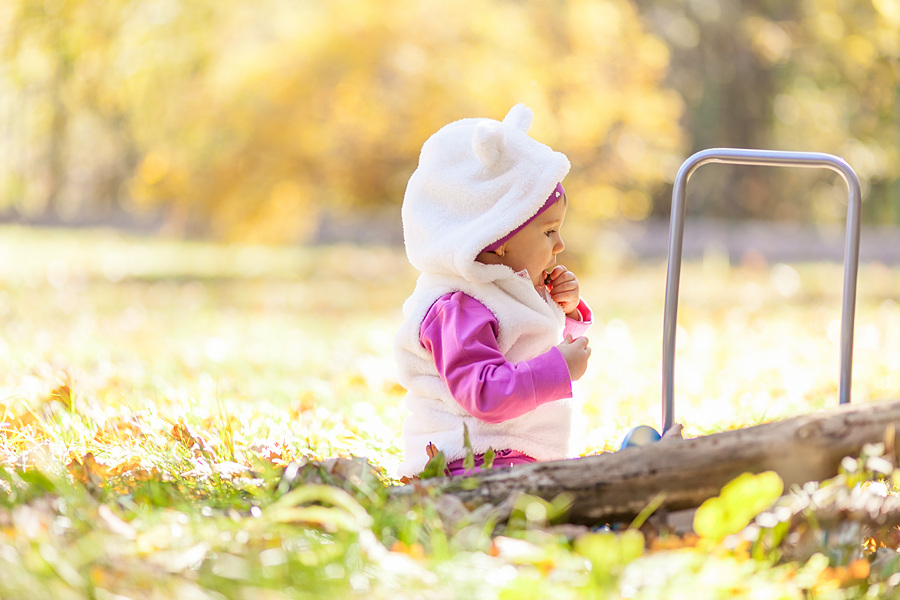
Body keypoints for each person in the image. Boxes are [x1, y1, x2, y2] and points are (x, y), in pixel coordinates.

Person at [394, 103, 593, 479]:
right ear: (496, 238)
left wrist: (567, 310)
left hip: (511, 453)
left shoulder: (505, 286)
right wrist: (559, 369)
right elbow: (483, 392)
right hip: (470, 459)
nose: (560, 245)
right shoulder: (456, 308)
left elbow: (530, 342)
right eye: (549, 231)